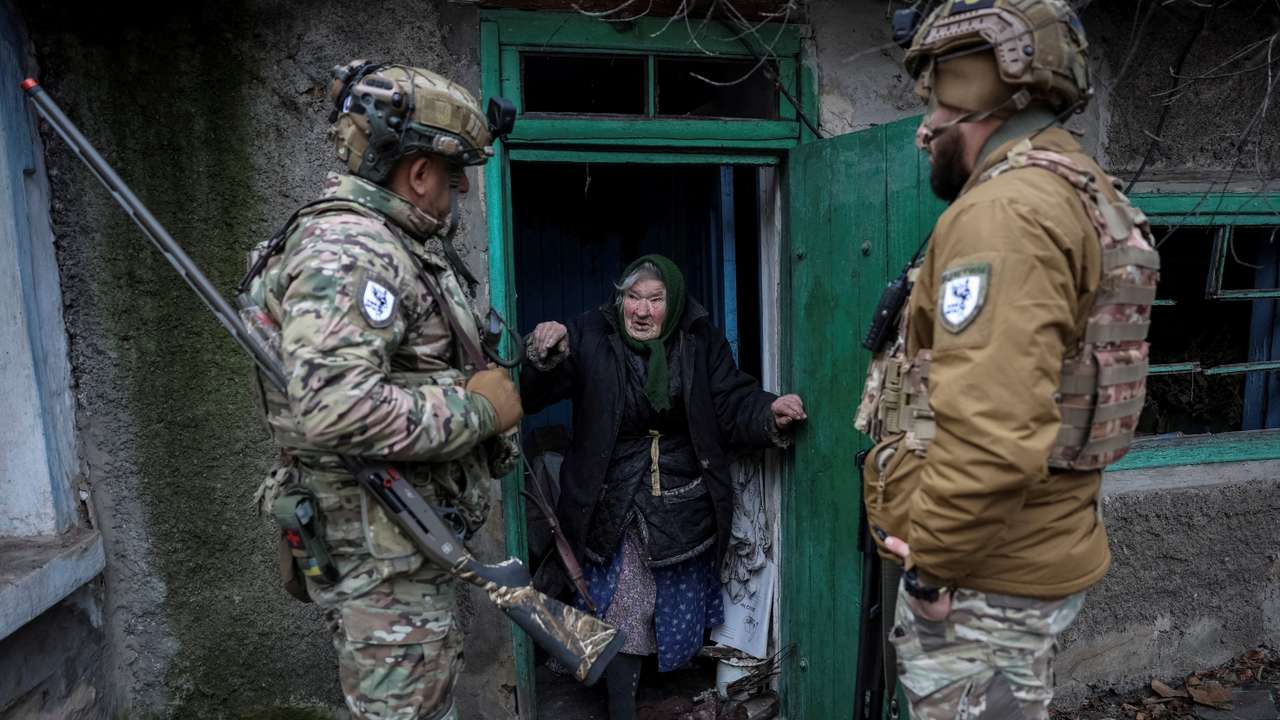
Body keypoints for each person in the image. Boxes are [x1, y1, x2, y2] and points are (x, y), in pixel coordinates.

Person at [854, 2, 1158, 718]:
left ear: (984, 103)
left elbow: (993, 430)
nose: (924, 128)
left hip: (984, 579)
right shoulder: (1080, 190)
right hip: (1031, 555)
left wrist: (933, 573)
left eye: (936, 102)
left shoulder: (1006, 211)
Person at [241, 60, 524, 720]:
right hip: (384, 559)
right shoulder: (350, 250)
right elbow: (335, 409)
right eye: (453, 180)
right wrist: (477, 408)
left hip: (407, 540)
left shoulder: (394, 242)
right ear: (418, 173)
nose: (455, 197)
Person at [521, 255, 806, 720]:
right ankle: (621, 708)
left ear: (672, 305)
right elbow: (535, 392)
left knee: (664, 606)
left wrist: (769, 412)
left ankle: (646, 690)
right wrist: (540, 354)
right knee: (626, 601)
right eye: (632, 297)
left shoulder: (698, 339)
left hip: (681, 493)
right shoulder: (592, 333)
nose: (641, 309)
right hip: (610, 491)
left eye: (655, 300)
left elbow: (731, 400)